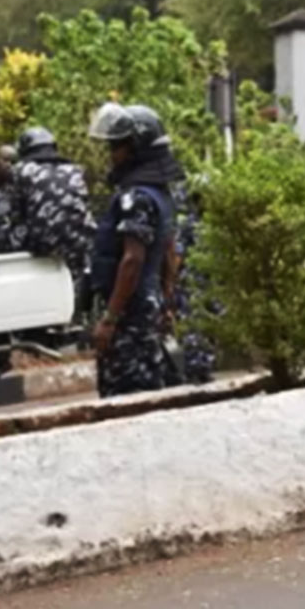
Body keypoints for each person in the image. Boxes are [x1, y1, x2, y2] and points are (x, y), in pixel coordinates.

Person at [86, 103, 185, 398]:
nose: (112, 154)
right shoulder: (160, 194)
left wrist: (110, 319)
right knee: (150, 389)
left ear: (137, 148)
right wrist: (166, 302)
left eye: (117, 146)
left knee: (126, 396)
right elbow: (169, 253)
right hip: (148, 306)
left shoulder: (137, 198)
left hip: (131, 314)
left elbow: (132, 260)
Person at [10, 125, 94, 314]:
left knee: (3, 231)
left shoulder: (21, 170)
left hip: (41, 245)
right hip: (79, 245)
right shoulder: (75, 170)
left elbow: (16, 213)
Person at [162, 176, 218, 387]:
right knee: (195, 326)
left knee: (209, 326)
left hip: (210, 282)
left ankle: (205, 368)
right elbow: (178, 255)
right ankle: (196, 370)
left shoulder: (214, 224)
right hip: (195, 282)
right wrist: (172, 282)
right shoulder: (189, 225)